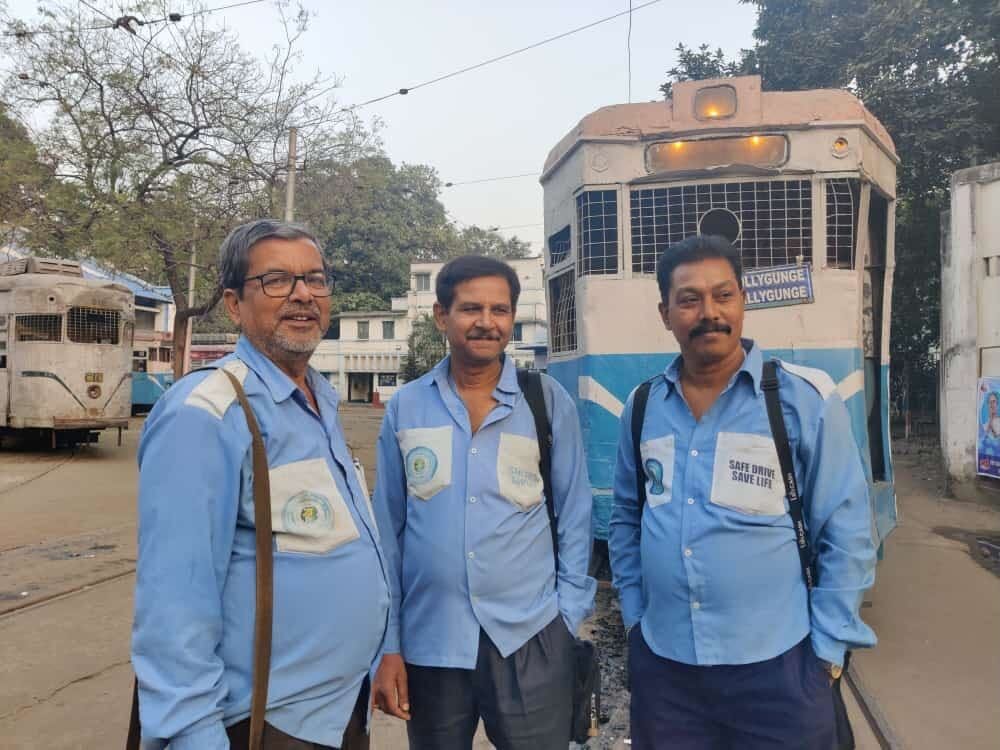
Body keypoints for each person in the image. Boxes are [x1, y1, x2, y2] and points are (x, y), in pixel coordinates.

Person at [609, 235, 877, 749]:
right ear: (666, 314)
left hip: (779, 669)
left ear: (743, 301)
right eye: (689, 300)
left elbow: (846, 530)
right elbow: (626, 516)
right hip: (666, 673)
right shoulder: (641, 407)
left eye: (723, 295)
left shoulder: (801, 398)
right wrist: (635, 619)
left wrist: (827, 650)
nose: (709, 312)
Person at [131, 220, 389, 750]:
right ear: (233, 304)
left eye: (315, 280)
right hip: (261, 725)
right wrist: (191, 736)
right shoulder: (206, 412)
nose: (302, 295)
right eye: (276, 280)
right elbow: (173, 602)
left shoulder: (319, 403)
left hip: (337, 711)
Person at [370, 255, 596, 750]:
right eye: (471, 308)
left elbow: (576, 514)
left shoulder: (546, 401)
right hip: (431, 643)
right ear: (440, 316)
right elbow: (388, 533)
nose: (487, 322)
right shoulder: (407, 407)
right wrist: (388, 647)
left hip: (530, 637)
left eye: (500, 309)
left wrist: (566, 616)